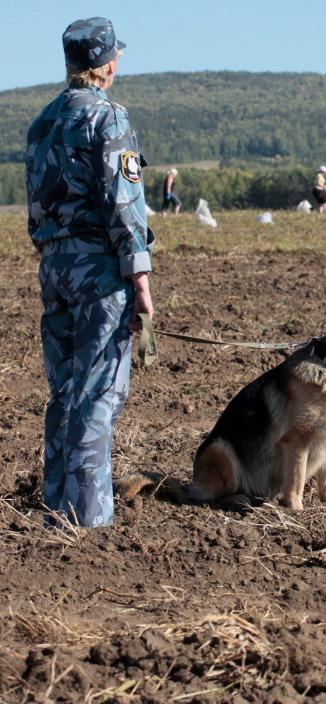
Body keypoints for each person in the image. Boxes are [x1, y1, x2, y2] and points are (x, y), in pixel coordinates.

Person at [26, 17, 155, 528]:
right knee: (98, 394)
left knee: (64, 393)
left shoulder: (42, 121)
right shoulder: (109, 120)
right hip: (100, 272)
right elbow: (125, 204)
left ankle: (56, 507)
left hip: (54, 267)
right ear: (107, 64)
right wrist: (139, 278)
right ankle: (89, 517)